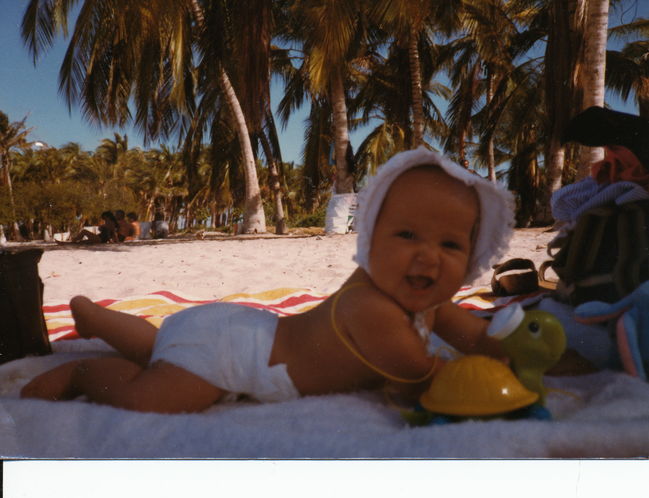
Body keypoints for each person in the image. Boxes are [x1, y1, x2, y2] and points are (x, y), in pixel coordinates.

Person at [21, 147, 515, 414]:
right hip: (235, 358)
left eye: (451, 245)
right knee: (155, 396)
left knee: (166, 346)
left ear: (472, 256)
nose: (428, 257)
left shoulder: (424, 299)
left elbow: (477, 339)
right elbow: (419, 380)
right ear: (371, 239)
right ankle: (83, 374)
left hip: (238, 329)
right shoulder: (372, 308)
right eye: (407, 234)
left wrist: (526, 354)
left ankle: (97, 319)